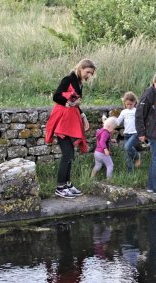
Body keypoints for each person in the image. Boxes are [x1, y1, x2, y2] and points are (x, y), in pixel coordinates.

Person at [45, 59, 96, 199]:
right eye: (87, 72)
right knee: (67, 154)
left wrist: (83, 116)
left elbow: (76, 103)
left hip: (70, 122)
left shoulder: (79, 83)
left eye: (91, 73)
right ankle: (60, 187)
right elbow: (56, 96)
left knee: (70, 155)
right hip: (62, 122)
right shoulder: (68, 79)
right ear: (80, 68)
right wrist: (68, 102)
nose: (89, 75)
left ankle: (67, 184)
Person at [115, 91, 141, 172]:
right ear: (125, 103)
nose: (129, 106)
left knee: (127, 147)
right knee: (127, 156)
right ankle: (130, 173)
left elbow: (141, 121)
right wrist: (107, 121)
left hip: (135, 133)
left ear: (134, 102)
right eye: (127, 104)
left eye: (131, 104)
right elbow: (117, 122)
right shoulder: (124, 112)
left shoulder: (136, 111)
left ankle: (137, 156)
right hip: (126, 134)